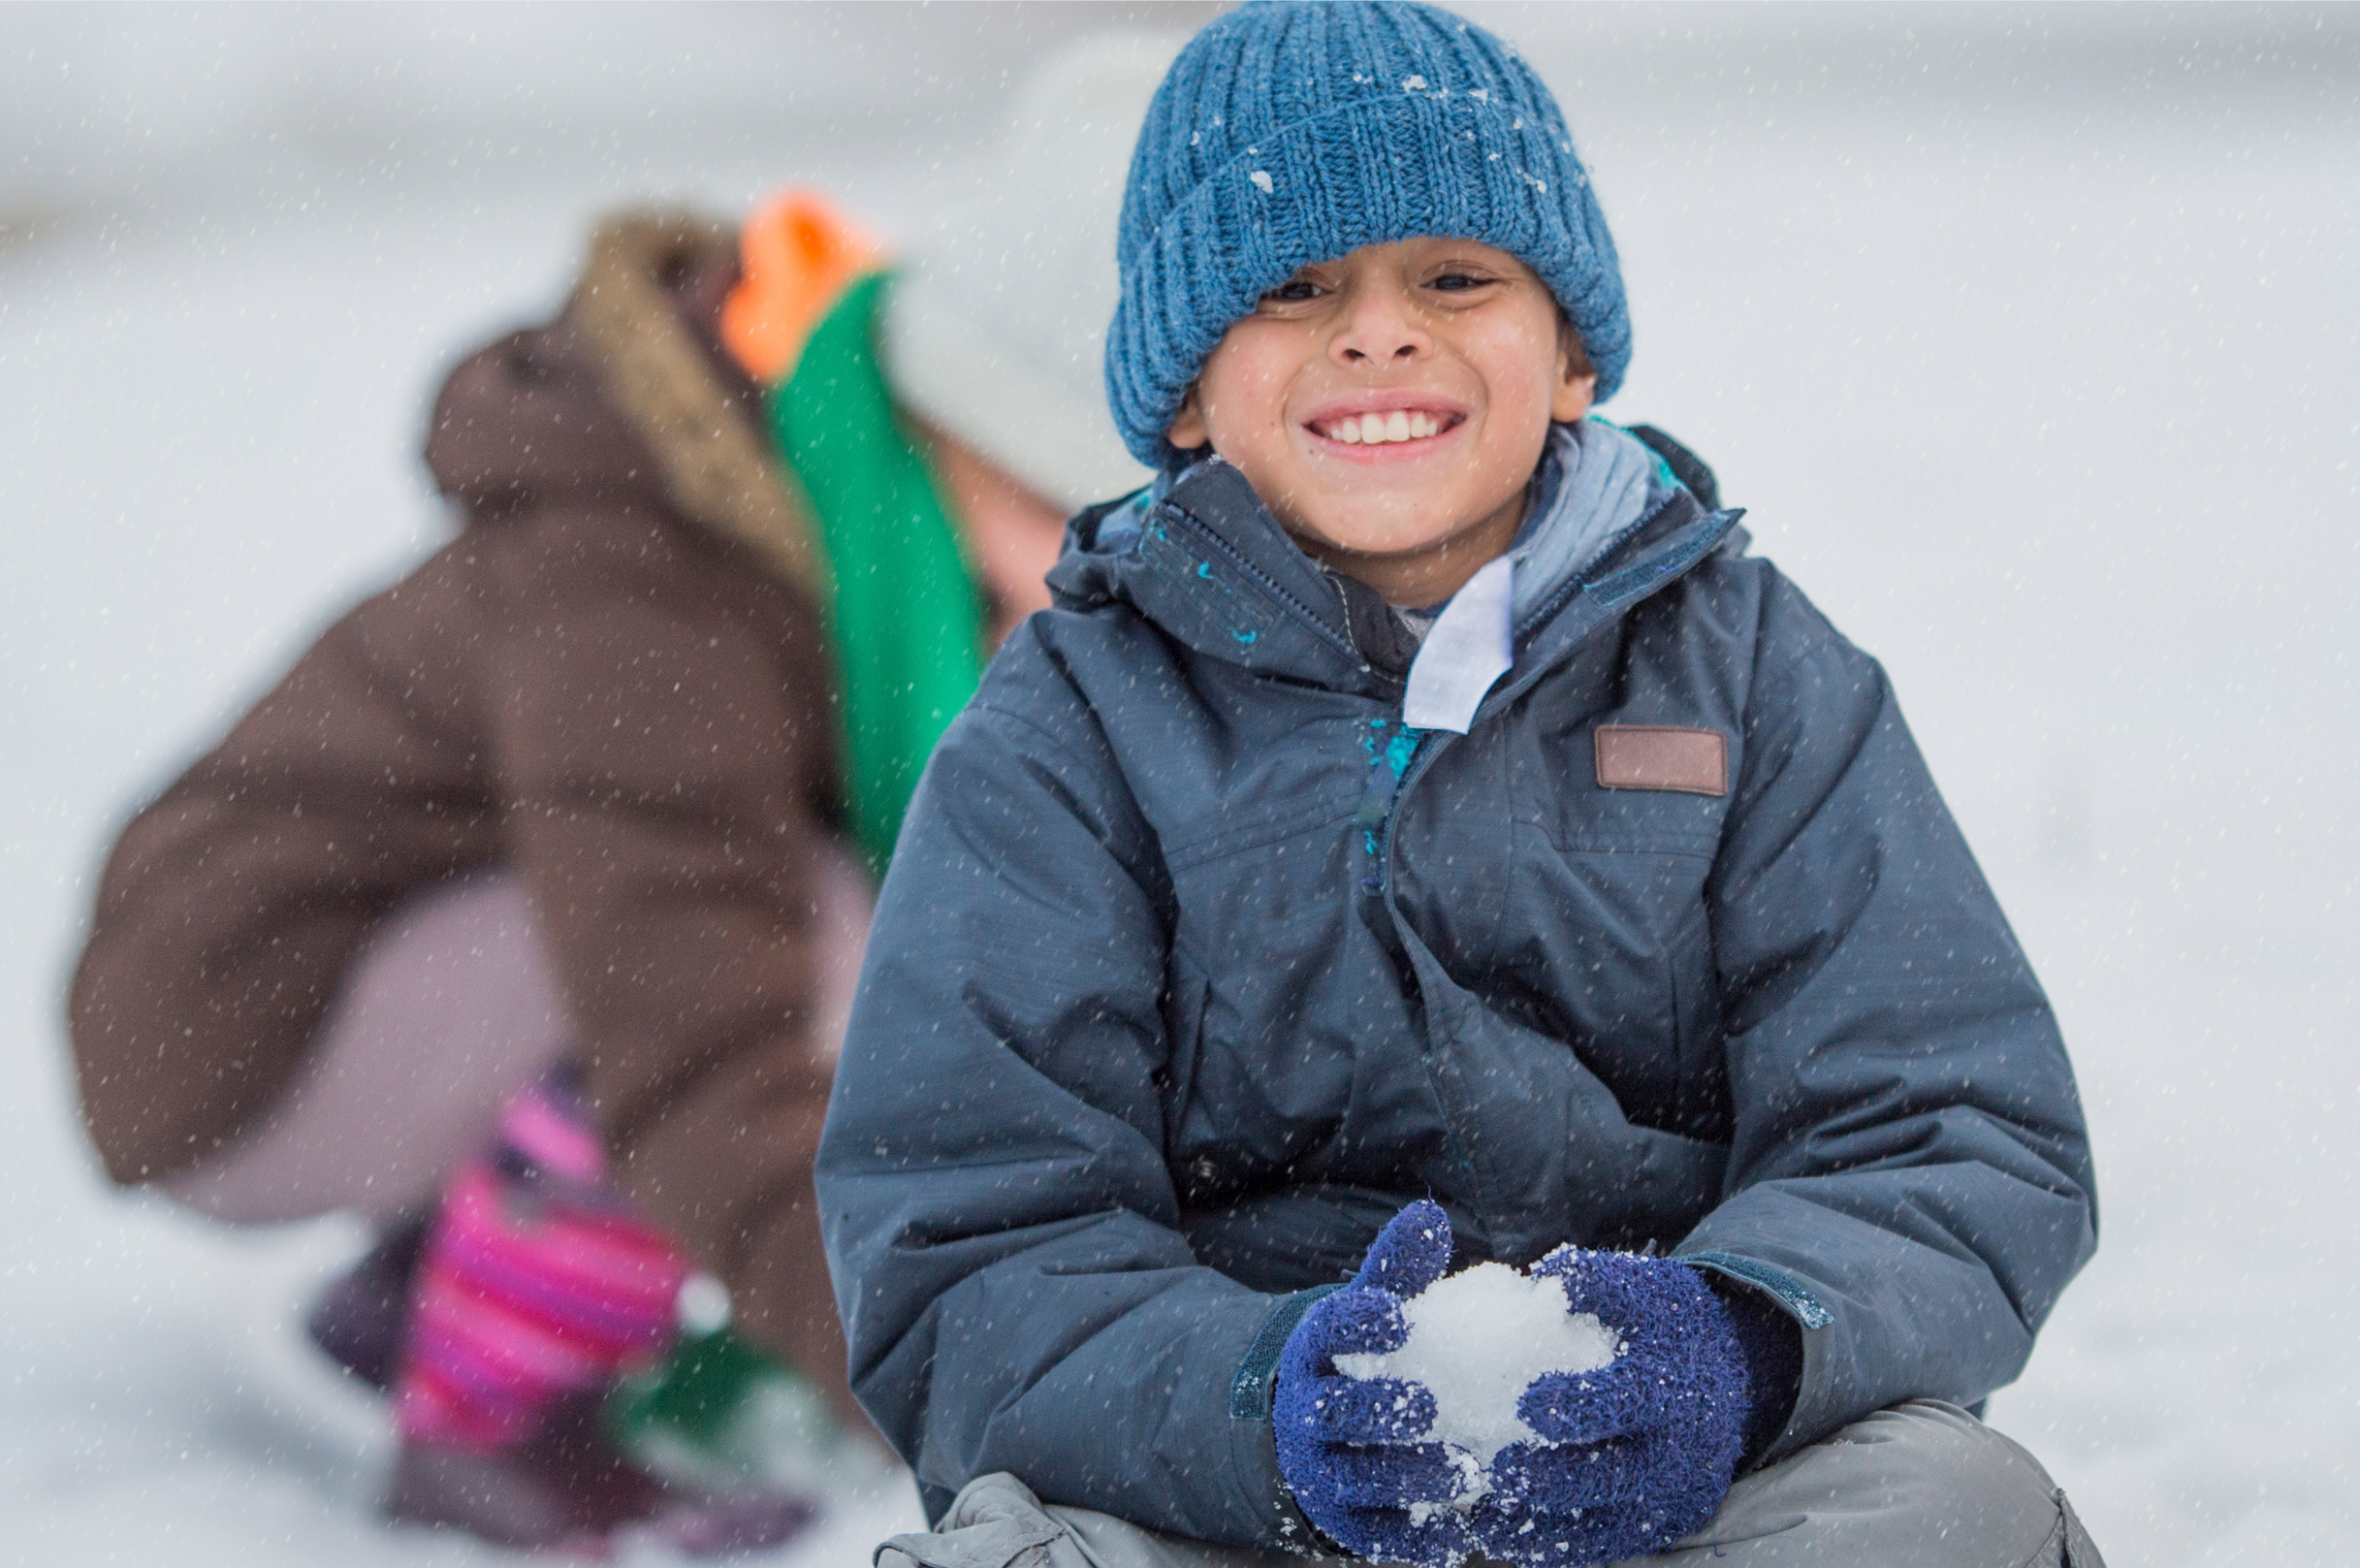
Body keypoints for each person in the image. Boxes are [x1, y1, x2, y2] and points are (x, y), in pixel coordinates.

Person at [816, 6, 2104, 1567]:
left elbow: (1949, 1129)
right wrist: (1258, 1408)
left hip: (1686, 1495)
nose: (1377, 333)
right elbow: (966, 1241)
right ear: (1179, 394)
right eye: (1294, 288)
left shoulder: (1754, 671)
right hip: (1242, 1508)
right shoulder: (1064, 732)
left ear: (1565, 353)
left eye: (1453, 278)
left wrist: (1739, 1345)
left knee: (1954, 1512)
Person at [63, 35, 1175, 1553]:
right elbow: (703, 1047)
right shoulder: (647, 576)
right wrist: (950, 1381)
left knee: (830, 928)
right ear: (944, 420)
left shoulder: (850, 508)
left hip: (442, 958)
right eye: (1055, 508)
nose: (1072, 581)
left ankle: (439, 1274)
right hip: (230, 1031)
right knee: (821, 944)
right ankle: (497, 1411)